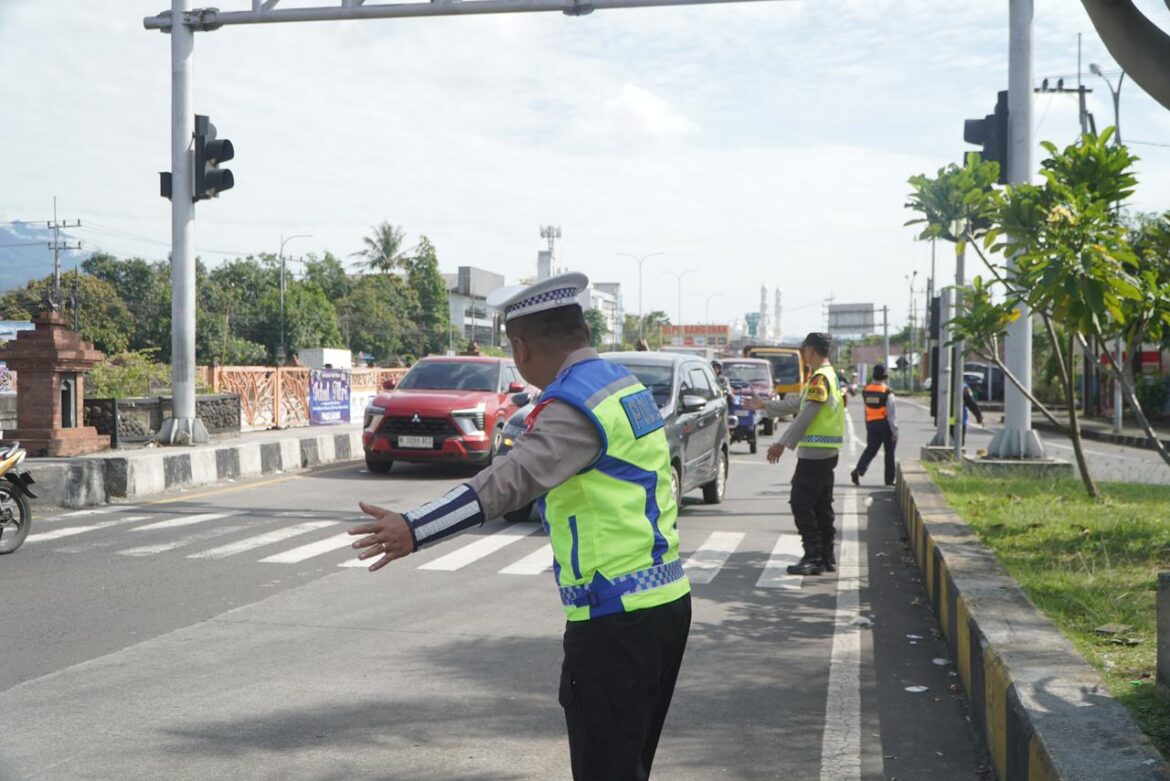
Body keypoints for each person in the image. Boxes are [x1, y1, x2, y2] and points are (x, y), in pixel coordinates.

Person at [348, 272, 691, 781]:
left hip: (617, 623)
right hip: (664, 603)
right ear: (584, 330)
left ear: (520, 347)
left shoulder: (574, 406)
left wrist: (413, 528)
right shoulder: (623, 384)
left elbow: (504, 484)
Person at [744, 332, 845, 575]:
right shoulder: (828, 376)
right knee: (821, 505)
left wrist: (782, 443)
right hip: (826, 452)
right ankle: (826, 555)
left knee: (801, 503)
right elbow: (799, 404)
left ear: (810, 350)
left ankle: (813, 556)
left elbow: (806, 415)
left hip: (815, 453)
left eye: (804, 352)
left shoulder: (820, 378)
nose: (804, 356)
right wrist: (766, 405)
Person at [850, 364, 898, 487]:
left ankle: (859, 470)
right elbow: (891, 415)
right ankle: (889, 480)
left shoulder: (866, 390)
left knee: (870, 449)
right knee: (889, 453)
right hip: (885, 424)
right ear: (885, 377)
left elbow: (866, 410)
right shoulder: (887, 392)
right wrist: (894, 432)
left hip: (871, 423)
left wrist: (868, 424)